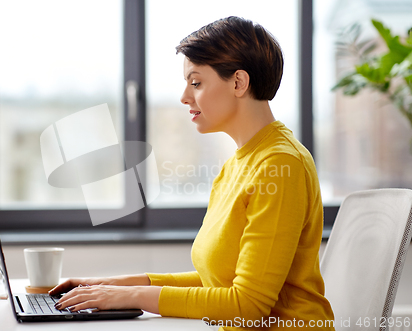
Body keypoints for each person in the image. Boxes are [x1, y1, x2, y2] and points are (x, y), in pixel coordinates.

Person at [50, 16, 335, 330]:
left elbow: (248, 305)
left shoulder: (281, 166)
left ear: (239, 83)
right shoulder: (238, 164)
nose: (184, 96)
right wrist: (113, 286)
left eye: (196, 82)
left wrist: (133, 296)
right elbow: (220, 280)